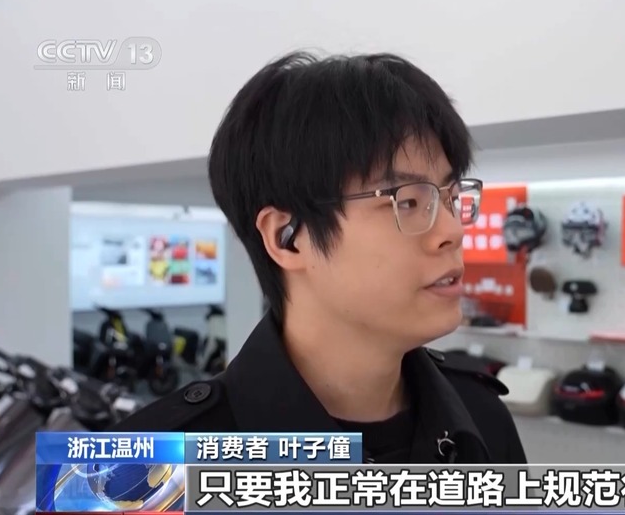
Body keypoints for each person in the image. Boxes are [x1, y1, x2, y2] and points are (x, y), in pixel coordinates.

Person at [108, 50, 528, 464]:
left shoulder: (482, 418)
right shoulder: (143, 469)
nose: (453, 231)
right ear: (287, 239)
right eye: (407, 201)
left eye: (451, 198)